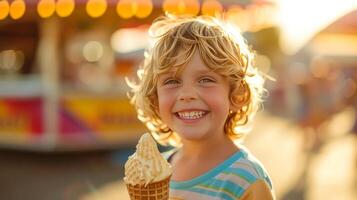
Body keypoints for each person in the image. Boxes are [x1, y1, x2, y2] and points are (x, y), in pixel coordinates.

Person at [127, 14, 275, 200]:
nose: (187, 94)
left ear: (237, 94)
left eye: (206, 80)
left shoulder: (247, 180)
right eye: (172, 81)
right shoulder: (158, 171)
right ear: (155, 98)